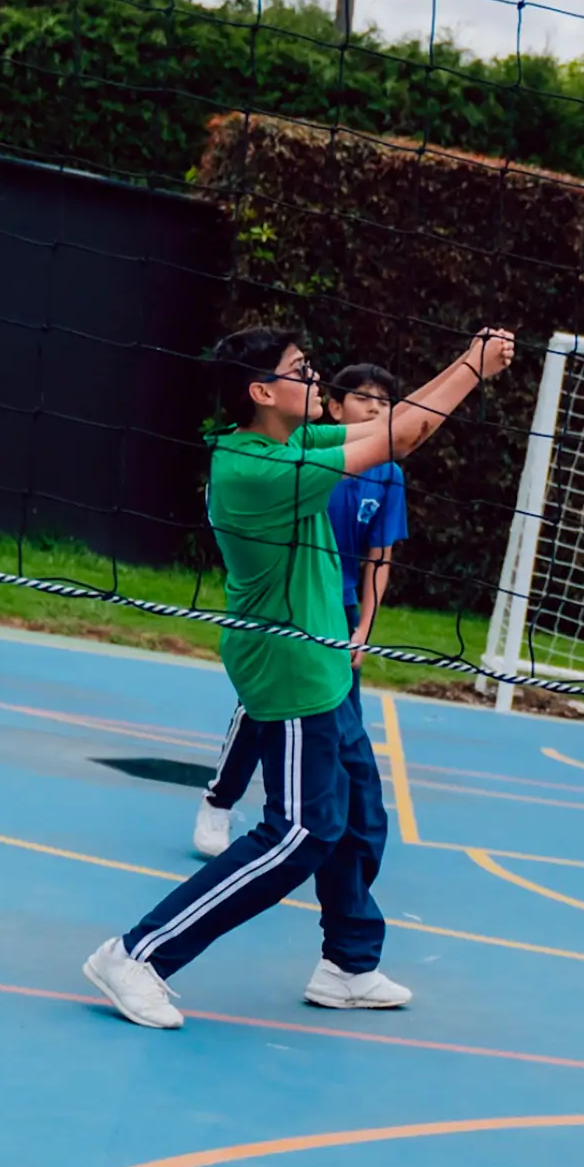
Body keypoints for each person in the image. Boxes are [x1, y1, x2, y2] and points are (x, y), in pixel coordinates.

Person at [83, 324, 516, 1029]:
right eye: (301, 369)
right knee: (298, 834)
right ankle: (137, 954)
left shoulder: (285, 442)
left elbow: (398, 427)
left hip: (324, 660)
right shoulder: (257, 469)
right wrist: (474, 364)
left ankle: (347, 963)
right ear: (261, 391)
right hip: (287, 665)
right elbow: (399, 439)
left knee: (355, 819)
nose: (318, 380)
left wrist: (468, 360)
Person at [191, 363, 410, 859]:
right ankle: (220, 801)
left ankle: (340, 843)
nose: (376, 408)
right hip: (289, 607)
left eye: (384, 401)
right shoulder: (301, 455)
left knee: (345, 735)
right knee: (262, 708)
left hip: (340, 607)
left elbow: (380, 559)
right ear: (336, 409)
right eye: (364, 398)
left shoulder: (387, 475)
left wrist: (364, 629)